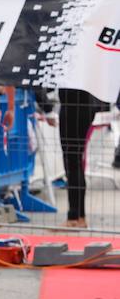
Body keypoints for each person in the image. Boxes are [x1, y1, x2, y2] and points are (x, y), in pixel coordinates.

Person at [57, 88, 110, 228]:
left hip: (73, 105)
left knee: (72, 161)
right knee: (76, 162)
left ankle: (74, 217)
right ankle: (79, 216)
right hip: (85, 104)